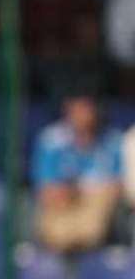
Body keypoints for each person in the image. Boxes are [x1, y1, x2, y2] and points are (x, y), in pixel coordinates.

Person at [30, 94, 123, 252]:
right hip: (62, 205)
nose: (83, 115)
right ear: (68, 110)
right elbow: (44, 188)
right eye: (78, 109)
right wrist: (72, 192)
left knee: (101, 202)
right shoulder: (51, 140)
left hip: (96, 206)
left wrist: (86, 191)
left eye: (87, 108)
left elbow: (117, 185)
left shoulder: (112, 139)